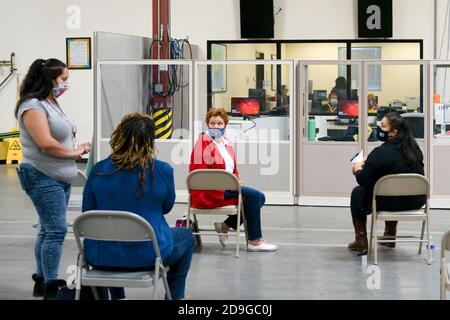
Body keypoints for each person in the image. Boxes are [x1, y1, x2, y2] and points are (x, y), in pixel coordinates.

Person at [82, 112, 195, 300]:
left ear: (119, 137)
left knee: (112, 237)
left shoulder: (99, 170)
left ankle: (117, 296)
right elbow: (166, 207)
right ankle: (174, 297)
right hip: (149, 255)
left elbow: (88, 213)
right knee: (187, 237)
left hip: (100, 256)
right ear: (151, 141)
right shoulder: (162, 170)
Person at [14, 58, 91, 299]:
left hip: (58, 175)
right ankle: (50, 286)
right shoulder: (32, 106)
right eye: (63, 79)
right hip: (41, 174)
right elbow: (45, 144)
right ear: (49, 79)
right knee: (57, 231)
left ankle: (40, 279)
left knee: (47, 230)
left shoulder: (51, 102)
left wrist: (74, 149)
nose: (66, 84)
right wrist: (76, 152)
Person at [189, 107, 277, 252]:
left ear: (225, 125)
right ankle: (254, 241)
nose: (215, 126)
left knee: (259, 198)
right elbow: (199, 174)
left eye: (219, 123)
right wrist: (228, 184)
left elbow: (233, 170)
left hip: (227, 188)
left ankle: (224, 226)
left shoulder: (227, 144)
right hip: (209, 192)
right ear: (207, 124)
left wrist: (236, 181)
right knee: (255, 197)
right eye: (212, 123)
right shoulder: (202, 142)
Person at [348, 112, 426, 252]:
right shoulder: (414, 149)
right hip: (416, 200)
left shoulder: (380, 153)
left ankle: (361, 240)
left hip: (389, 202)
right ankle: (390, 236)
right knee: (394, 187)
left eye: (382, 126)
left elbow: (363, 180)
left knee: (357, 192)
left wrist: (357, 168)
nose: (379, 128)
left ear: (393, 132)